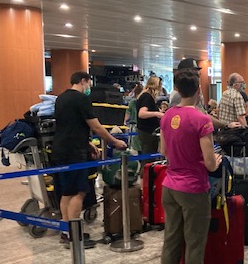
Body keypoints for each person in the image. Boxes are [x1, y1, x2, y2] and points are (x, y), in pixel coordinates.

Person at [159, 69, 224, 264]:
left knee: (171, 240)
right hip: (193, 189)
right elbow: (209, 162)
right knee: (194, 242)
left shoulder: (167, 116)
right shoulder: (201, 119)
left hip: (170, 186)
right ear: (198, 90)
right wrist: (215, 162)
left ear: (177, 89)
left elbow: (164, 151)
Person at [52, 71, 127, 249]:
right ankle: (74, 235)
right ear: (83, 81)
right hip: (74, 152)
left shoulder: (60, 98)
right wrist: (115, 141)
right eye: (88, 83)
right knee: (79, 192)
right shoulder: (81, 99)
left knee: (66, 192)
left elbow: (68, 126)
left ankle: (66, 231)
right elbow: (96, 126)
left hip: (60, 149)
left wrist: (87, 143)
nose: (89, 87)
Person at [136, 76, 164, 157]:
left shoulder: (144, 96)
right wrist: (157, 114)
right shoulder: (147, 97)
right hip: (148, 132)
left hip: (145, 131)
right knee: (148, 157)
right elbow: (142, 113)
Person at [124, 83, 143, 153]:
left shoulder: (132, 102)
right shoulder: (133, 102)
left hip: (135, 126)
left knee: (135, 146)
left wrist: (124, 122)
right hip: (135, 125)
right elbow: (128, 113)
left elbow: (127, 113)